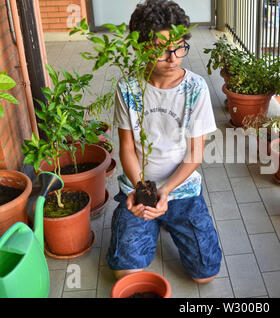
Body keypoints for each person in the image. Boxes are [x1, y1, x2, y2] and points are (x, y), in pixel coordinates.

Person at [107, 0, 222, 284]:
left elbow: (195, 154)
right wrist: (142, 192)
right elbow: (127, 148)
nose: (173, 58)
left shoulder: (195, 89)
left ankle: (164, 219)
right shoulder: (128, 88)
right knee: (126, 273)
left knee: (205, 275)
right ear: (140, 47)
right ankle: (135, 216)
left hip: (181, 190)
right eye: (161, 49)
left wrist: (165, 193)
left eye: (180, 46)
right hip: (139, 191)